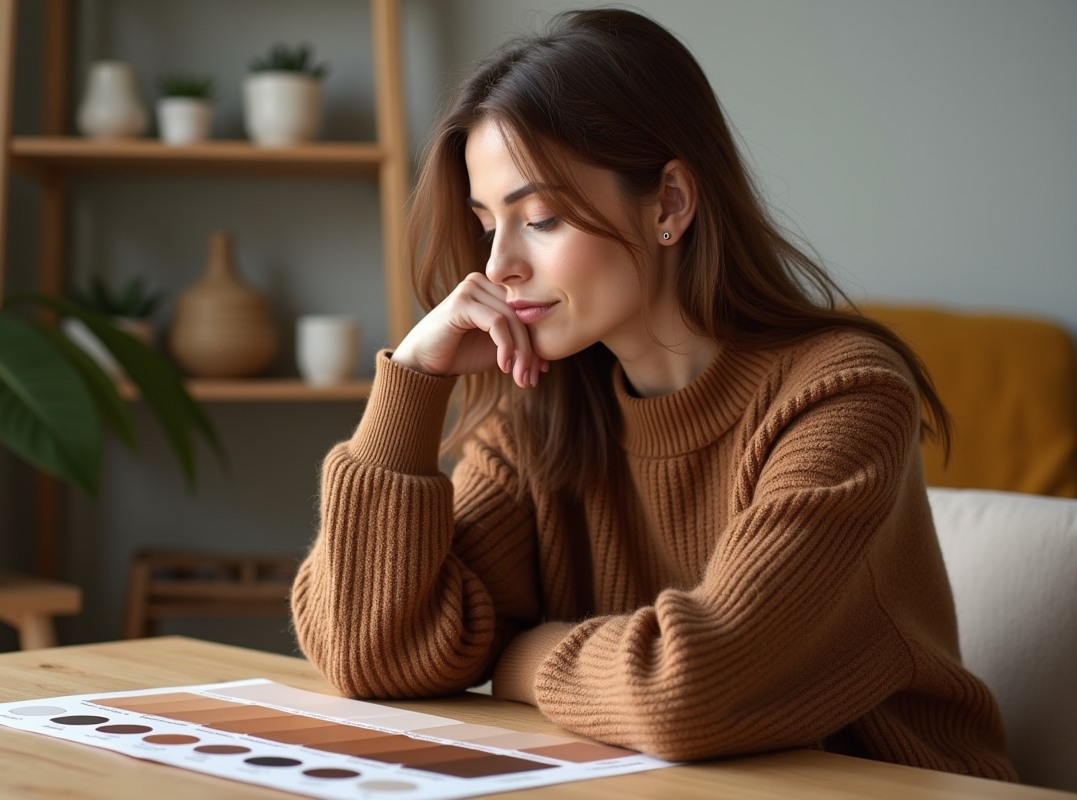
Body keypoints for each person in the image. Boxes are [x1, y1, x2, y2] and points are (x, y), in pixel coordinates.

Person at [291, 8, 1016, 781]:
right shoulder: (542, 413)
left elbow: (688, 689)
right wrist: (414, 382)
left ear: (669, 203)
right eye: (484, 223)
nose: (496, 265)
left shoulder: (843, 397)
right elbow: (366, 652)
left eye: (539, 217)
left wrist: (516, 653)